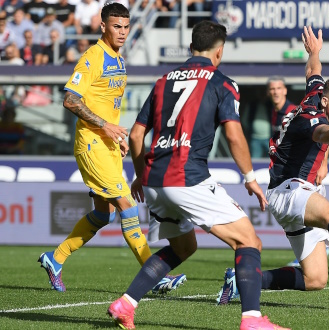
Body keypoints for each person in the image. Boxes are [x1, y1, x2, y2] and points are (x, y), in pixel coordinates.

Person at [106, 20, 286, 330]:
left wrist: (140, 174)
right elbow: (233, 135)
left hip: (154, 180)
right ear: (220, 51)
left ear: (191, 48)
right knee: (249, 242)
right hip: (187, 177)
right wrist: (249, 178)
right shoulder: (222, 82)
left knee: (183, 247)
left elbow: (136, 137)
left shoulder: (163, 81)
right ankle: (252, 320)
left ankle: (125, 304)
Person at [215, 27, 329, 304]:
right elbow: (322, 135)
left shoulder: (317, 92)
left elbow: (313, 72)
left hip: (297, 193)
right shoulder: (310, 118)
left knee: (316, 280)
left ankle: (243, 279)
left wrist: (315, 51)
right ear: (326, 102)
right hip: (287, 191)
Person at [37, 3, 185, 295]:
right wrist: (105, 127)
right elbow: (70, 99)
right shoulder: (93, 58)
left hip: (106, 144)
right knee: (127, 206)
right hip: (91, 143)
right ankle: (154, 274)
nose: (122, 32)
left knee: (103, 215)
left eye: (126, 27)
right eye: (117, 26)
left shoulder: (118, 59)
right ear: (103, 26)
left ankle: (55, 258)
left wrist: (116, 137)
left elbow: (108, 104)